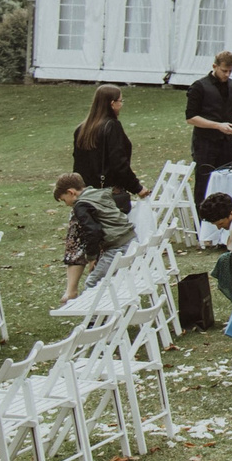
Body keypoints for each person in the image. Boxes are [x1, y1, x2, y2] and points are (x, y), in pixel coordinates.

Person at [56, 172, 135, 303]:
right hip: (131, 240)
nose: (66, 204)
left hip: (117, 247)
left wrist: (92, 257)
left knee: (92, 283)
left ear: (71, 192)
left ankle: (94, 321)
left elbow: (93, 231)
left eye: (64, 200)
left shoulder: (80, 205)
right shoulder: (98, 194)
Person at [186, 51, 232, 200]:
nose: (227, 74)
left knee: (227, 182)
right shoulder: (199, 86)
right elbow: (191, 117)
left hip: (226, 143)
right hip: (205, 143)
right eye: (224, 70)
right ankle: (201, 220)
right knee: (204, 185)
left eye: (230, 71)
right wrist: (217, 126)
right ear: (215, 66)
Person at [71, 84, 144, 203]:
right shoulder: (111, 126)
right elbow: (119, 163)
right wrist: (137, 187)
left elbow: (78, 164)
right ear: (112, 103)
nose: (121, 105)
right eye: (120, 101)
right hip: (107, 193)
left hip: (87, 193)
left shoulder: (82, 129)